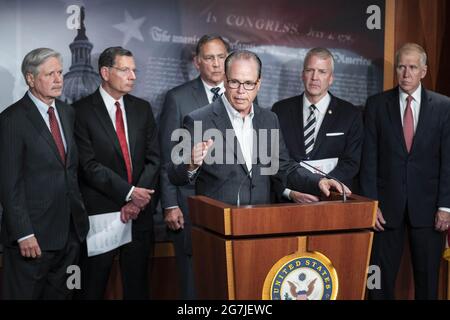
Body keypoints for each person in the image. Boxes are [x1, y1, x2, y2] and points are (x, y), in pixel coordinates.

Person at [169, 50, 349, 207]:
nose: (241, 90)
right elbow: (174, 174)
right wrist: (190, 162)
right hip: (217, 228)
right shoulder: (198, 119)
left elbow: (284, 168)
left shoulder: (269, 119)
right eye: (234, 82)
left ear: (258, 84)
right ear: (225, 81)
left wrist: (319, 181)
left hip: (260, 225)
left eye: (248, 83)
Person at [360, 43, 450, 299]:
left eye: (412, 67)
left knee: (427, 283)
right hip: (386, 211)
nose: (406, 73)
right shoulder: (376, 105)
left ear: (423, 71)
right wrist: (372, 204)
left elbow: (448, 160)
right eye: (401, 67)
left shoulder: (444, 107)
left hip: (430, 210)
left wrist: (446, 206)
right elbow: (369, 160)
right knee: (379, 283)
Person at [0, 48, 89, 299]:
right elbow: (9, 185)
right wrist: (24, 233)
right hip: (32, 239)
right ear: (30, 78)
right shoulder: (11, 120)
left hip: (70, 235)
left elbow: (70, 171)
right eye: (50, 74)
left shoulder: (67, 112)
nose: (59, 79)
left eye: (60, 72)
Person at [73, 47, 160, 299]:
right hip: (101, 217)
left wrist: (136, 201)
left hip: (139, 216)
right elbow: (88, 166)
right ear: (105, 72)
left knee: (138, 288)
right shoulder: (80, 111)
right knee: (92, 288)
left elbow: (154, 159)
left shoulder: (142, 109)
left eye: (134, 70)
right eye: (125, 70)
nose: (133, 76)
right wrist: (130, 193)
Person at [159, 34, 229, 299]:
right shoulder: (177, 98)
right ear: (197, 62)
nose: (216, 64)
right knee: (193, 282)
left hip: (230, 207)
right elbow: (169, 157)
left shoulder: (242, 96)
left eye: (221, 57)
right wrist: (170, 204)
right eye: (209, 58)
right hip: (189, 204)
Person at [272, 48, 363, 203]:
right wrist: (289, 192)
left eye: (322, 71)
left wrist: (321, 186)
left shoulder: (350, 114)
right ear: (302, 74)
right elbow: (273, 160)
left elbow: (351, 162)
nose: (315, 77)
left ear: (331, 78)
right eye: (310, 70)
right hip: (288, 203)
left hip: (331, 201)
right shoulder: (279, 110)